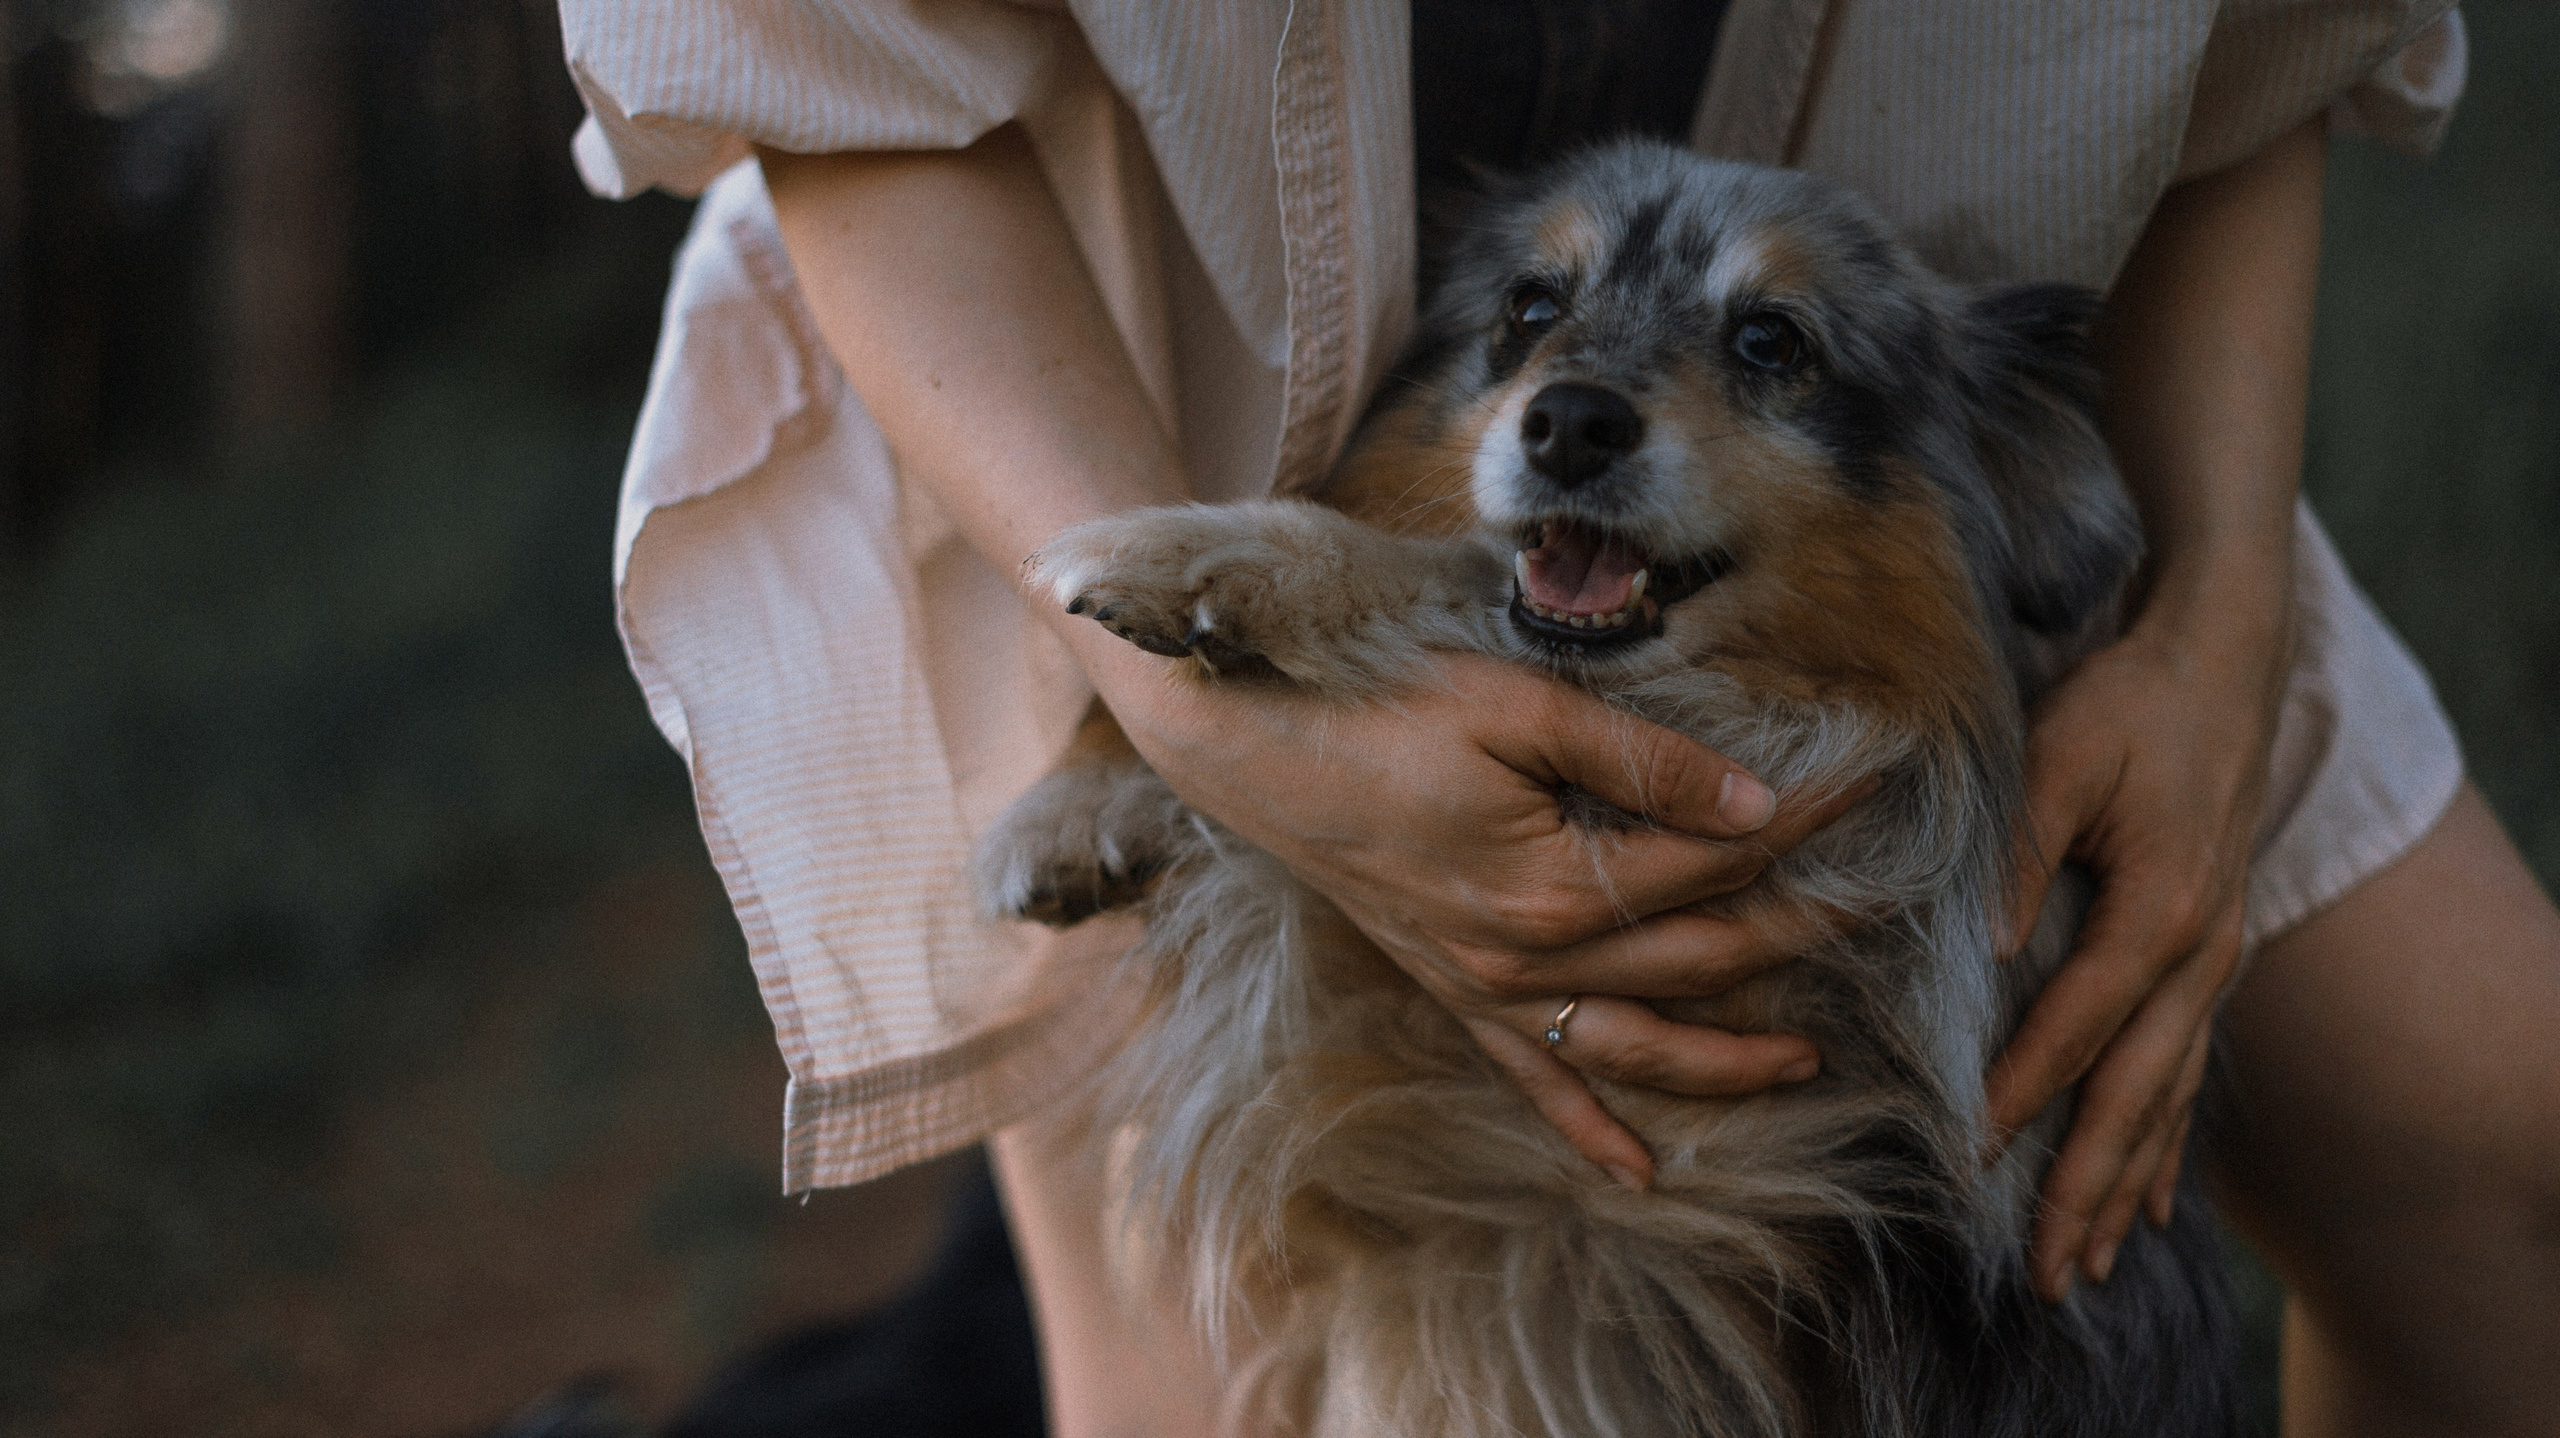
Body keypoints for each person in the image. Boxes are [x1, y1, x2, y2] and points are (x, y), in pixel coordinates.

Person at [561, 3, 2559, 1434]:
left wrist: (2213, 625)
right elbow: (819, 63)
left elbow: (2249, 52)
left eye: (1757, 348)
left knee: (2500, 1155)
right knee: (1185, 1378)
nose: (1587, 387)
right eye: (1542, 326)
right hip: (1110, 403)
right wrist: (1182, 715)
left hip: (1981, 443)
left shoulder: (1964, 488)